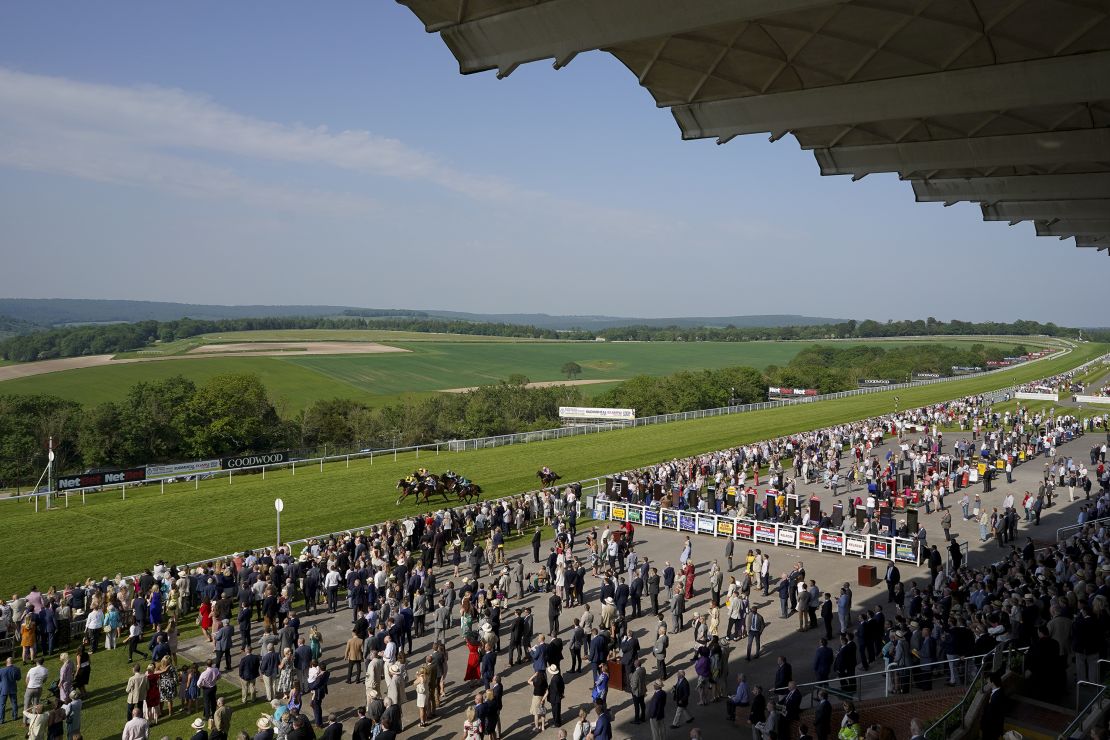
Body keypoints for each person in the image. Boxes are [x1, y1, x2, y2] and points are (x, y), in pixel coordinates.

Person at [980, 671, 1005, 740]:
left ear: (992, 682)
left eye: (988, 682)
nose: (987, 683)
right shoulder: (999, 692)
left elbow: (992, 714)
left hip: (990, 729)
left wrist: (983, 726)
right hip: (992, 728)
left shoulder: (997, 696)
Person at [0, 657, 21, 724]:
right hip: (13, 688)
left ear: (6, 662)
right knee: (14, 703)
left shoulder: (1, 670)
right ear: (13, 662)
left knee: (2, 705)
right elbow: (18, 678)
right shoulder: (17, 669)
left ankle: (1, 720)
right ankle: (15, 716)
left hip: (4, 689)